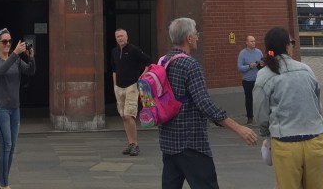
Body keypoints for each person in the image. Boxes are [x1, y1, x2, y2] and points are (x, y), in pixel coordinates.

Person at [157, 17, 257, 189]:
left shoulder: (163, 61)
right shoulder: (190, 65)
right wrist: (238, 128)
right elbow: (204, 103)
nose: (198, 37)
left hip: (168, 141)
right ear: (188, 38)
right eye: (196, 33)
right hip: (191, 143)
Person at [254, 26, 323, 189]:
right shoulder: (306, 69)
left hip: (286, 143)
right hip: (317, 140)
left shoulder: (265, 74)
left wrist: (267, 136)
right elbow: (318, 106)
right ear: (288, 46)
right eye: (292, 43)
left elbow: (261, 114)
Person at [0, 28, 35, 189]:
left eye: (10, 41)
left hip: (14, 109)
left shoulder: (15, 60)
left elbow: (30, 71)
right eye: (4, 41)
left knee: (12, 147)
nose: (8, 44)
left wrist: (31, 58)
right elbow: (0, 71)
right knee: (6, 145)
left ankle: (4, 181)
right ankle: (3, 185)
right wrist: (15, 53)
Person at [111, 28, 150, 155]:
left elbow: (148, 62)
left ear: (127, 37)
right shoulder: (114, 52)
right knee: (123, 116)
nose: (120, 38)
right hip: (119, 87)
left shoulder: (134, 50)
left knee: (129, 115)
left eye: (122, 36)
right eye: (118, 37)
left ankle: (135, 144)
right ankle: (130, 143)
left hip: (131, 86)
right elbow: (114, 70)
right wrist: (115, 86)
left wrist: (141, 77)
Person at [237, 34, 263, 125]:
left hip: (258, 79)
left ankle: (260, 116)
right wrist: (249, 66)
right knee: (249, 99)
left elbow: (262, 64)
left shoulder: (259, 52)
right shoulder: (242, 53)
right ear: (247, 42)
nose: (253, 43)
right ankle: (250, 118)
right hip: (247, 80)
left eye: (254, 41)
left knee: (260, 98)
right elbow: (239, 67)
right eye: (251, 41)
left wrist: (261, 64)